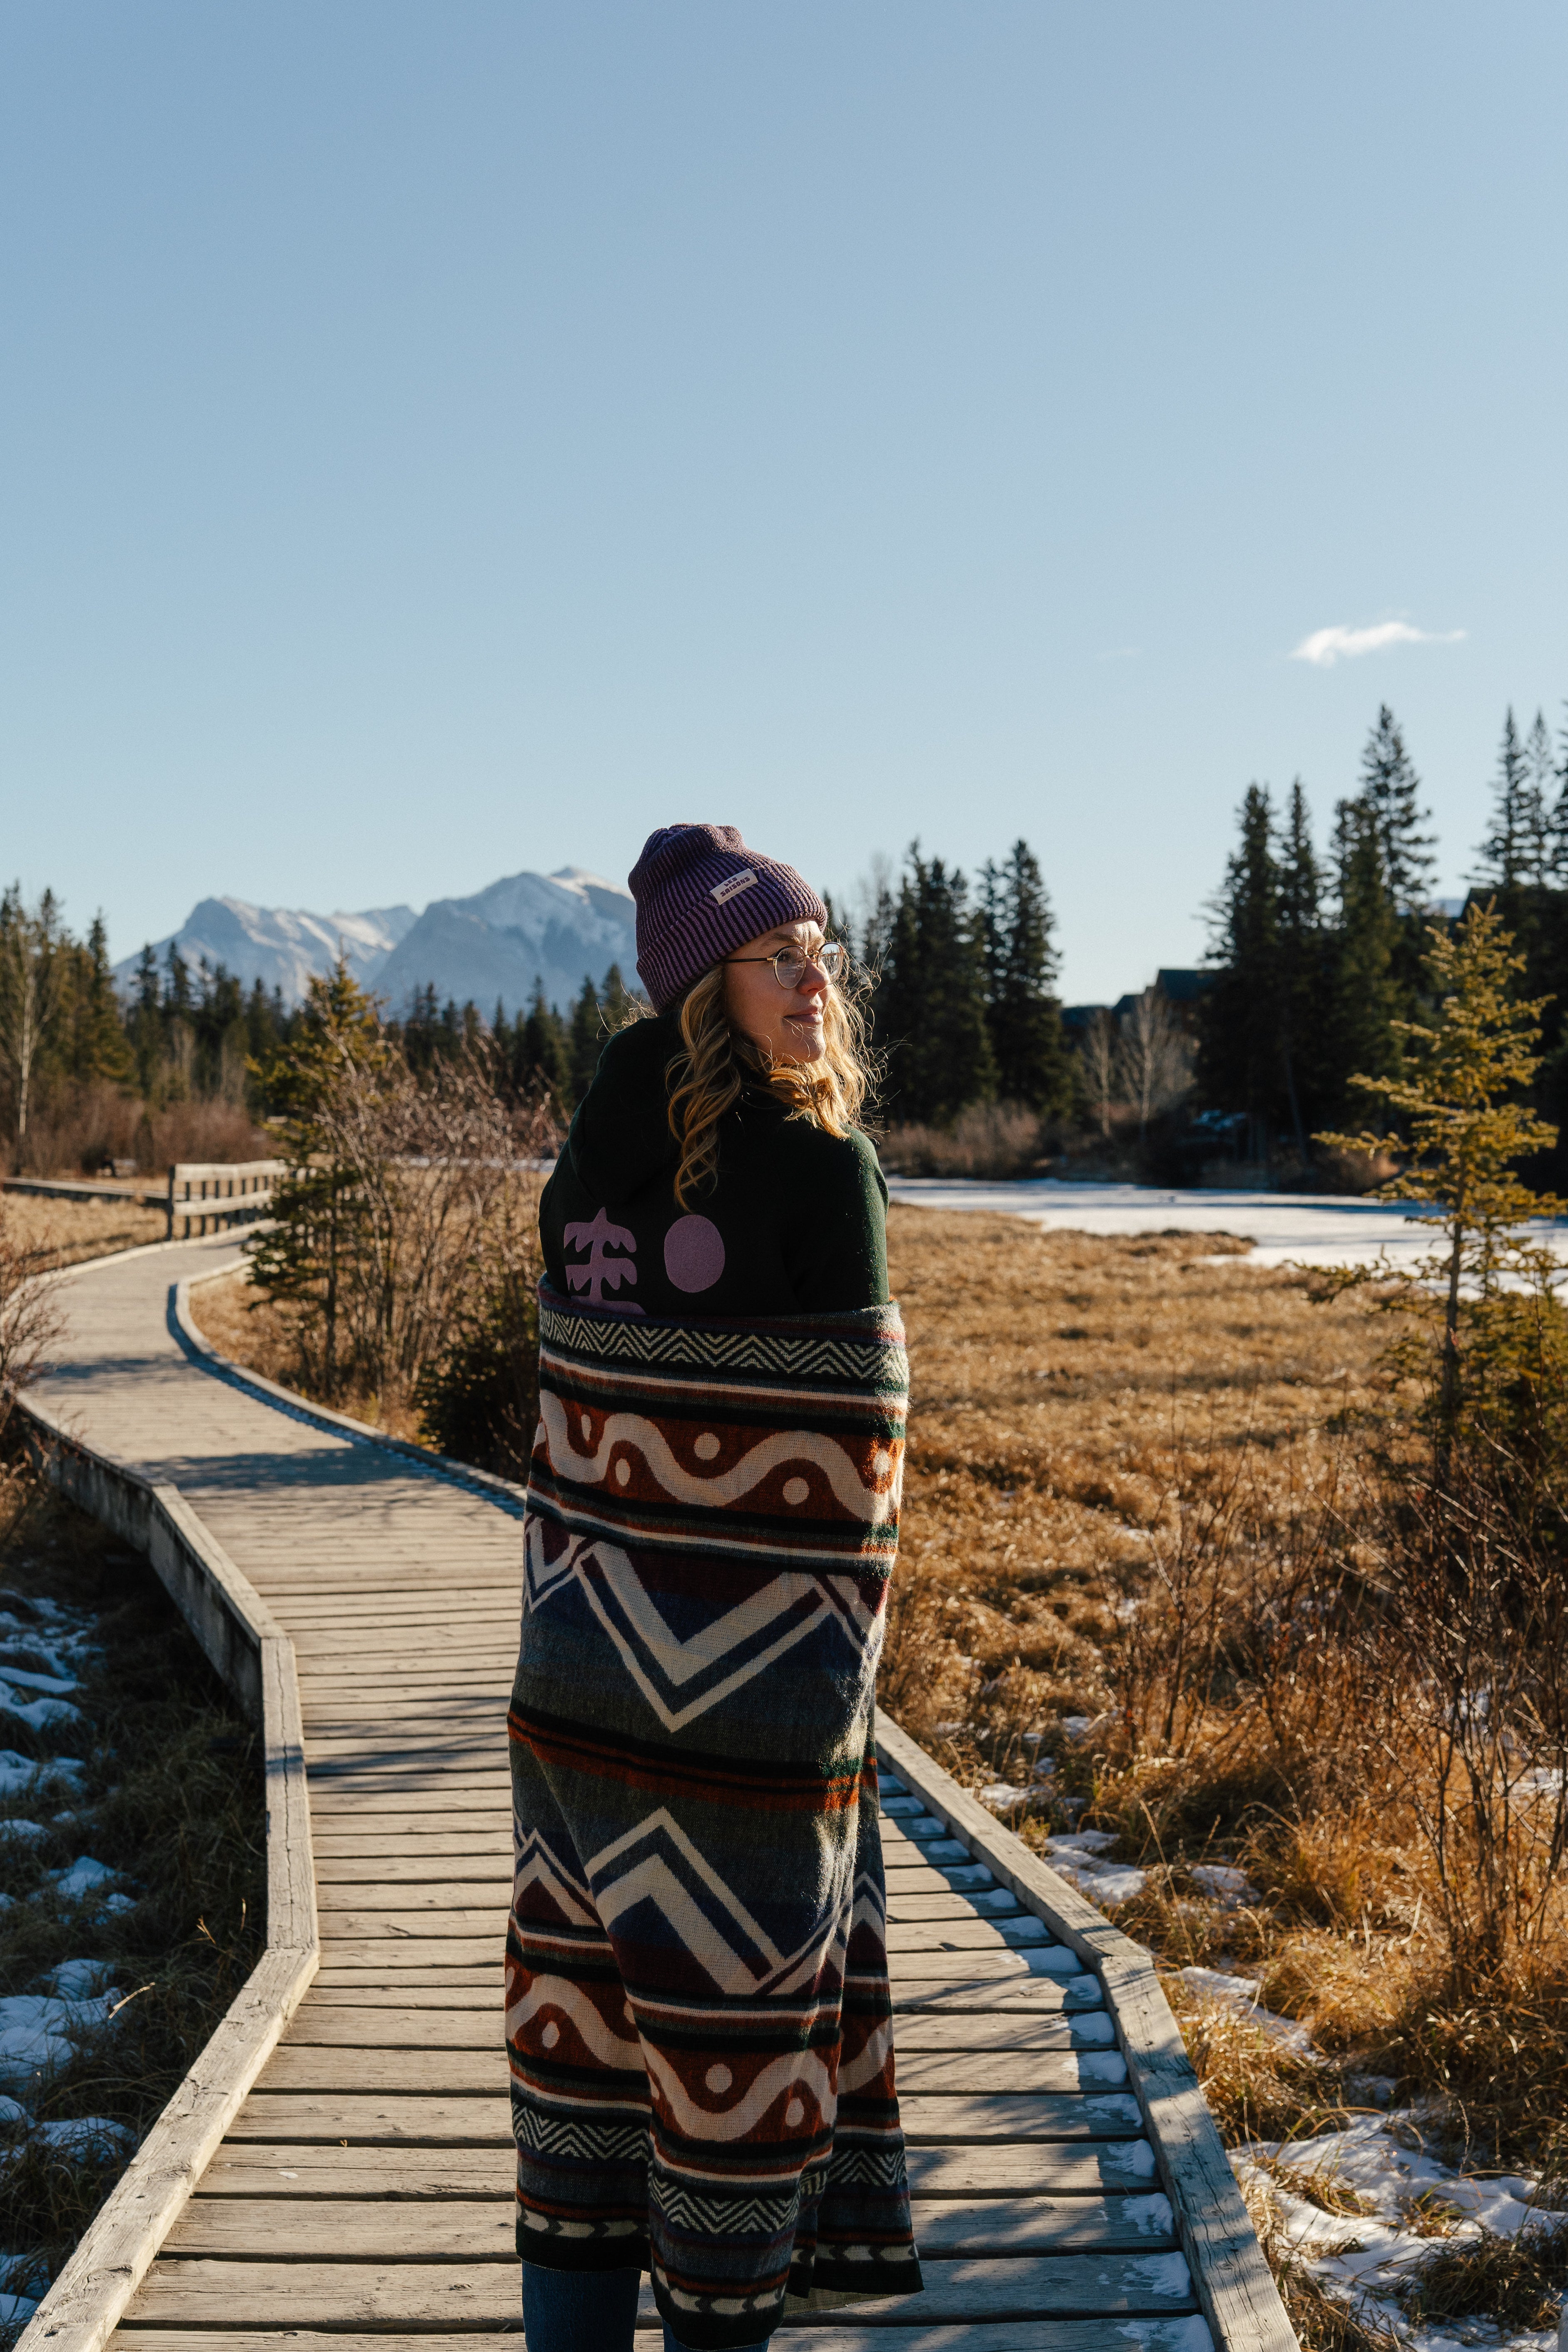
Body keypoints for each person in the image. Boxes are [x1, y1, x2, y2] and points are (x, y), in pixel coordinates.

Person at [507, 824, 922, 2352]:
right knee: (729, 2096)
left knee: (580, 2056)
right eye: (779, 957)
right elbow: (858, 1475)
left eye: (823, 951)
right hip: (752, 1732)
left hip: (574, 1704)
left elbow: (570, 1428)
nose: (816, 981)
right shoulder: (829, 1171)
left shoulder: (590, 1159)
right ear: (708, 990)